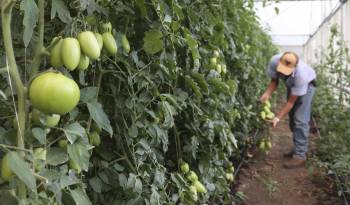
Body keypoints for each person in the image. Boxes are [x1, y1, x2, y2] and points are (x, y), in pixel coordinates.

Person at [260, 52, 316, 169]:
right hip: (292, 86)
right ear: (279, 61)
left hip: (306, 87)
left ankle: (300, 155)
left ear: (295, 67)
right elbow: (274, 81)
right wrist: (267, 93)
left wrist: (277, 118)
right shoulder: (274, 61)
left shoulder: (301, 75)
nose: (282, 72)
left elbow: (290, 103)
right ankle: (297, 147)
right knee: (292, 118)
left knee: (300, 119)